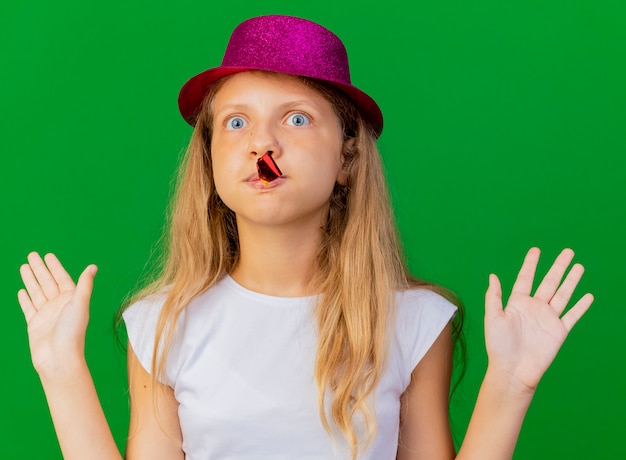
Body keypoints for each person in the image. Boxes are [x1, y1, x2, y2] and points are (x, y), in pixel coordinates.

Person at [17, 14, 593, 460]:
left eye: (296, 118)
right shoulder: (162, 323)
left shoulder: (416, 322)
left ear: (347, 156)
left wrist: (510, 384)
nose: (261, 146)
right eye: (236, 122)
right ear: (211, 159)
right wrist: (60, 370)